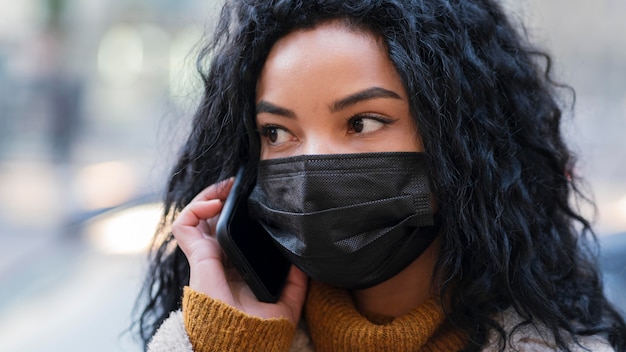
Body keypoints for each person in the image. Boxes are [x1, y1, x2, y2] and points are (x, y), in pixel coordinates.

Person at [133, 0, 626, 351]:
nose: (313, 168)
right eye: (277, 132)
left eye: (362, 122)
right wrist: (232, 343)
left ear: (462, 142)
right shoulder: (228, 335)